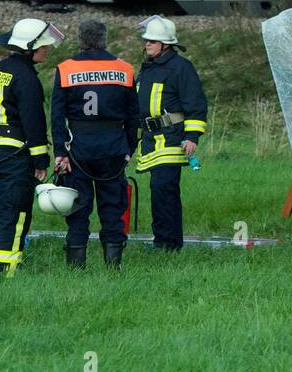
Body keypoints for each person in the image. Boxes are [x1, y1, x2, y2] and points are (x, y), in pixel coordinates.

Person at [0, 18, 62, 275]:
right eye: (43, 46)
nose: (47, 49)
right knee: (14, 211)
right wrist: (40, 162)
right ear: (29, 47)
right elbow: (33, 123)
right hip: (12, 155)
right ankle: (5, 268)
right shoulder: (27, 78)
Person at [51, 20, 137, 269]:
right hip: (113, 147)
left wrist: (60, 151)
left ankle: (76, 267)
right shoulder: (124, 69)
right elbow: (133, 116)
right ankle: (113, 266)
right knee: (113, 207)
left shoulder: (65, 69)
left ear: (81, 39)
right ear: (105, 38)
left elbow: (57, 115)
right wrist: (129, 149)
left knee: (78, 207)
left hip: (78, 148)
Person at [135, 16, 208, 251]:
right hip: (150, 139)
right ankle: (164, 241)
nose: (147, 44)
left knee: (164, 190)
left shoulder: (181, 68)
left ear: (165, 44)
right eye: (146, 40)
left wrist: (192, 136)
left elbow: (196, 105)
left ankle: (167, 244)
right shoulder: (149, 68)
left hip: (172, 138)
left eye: (152, 41)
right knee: (159, 191)